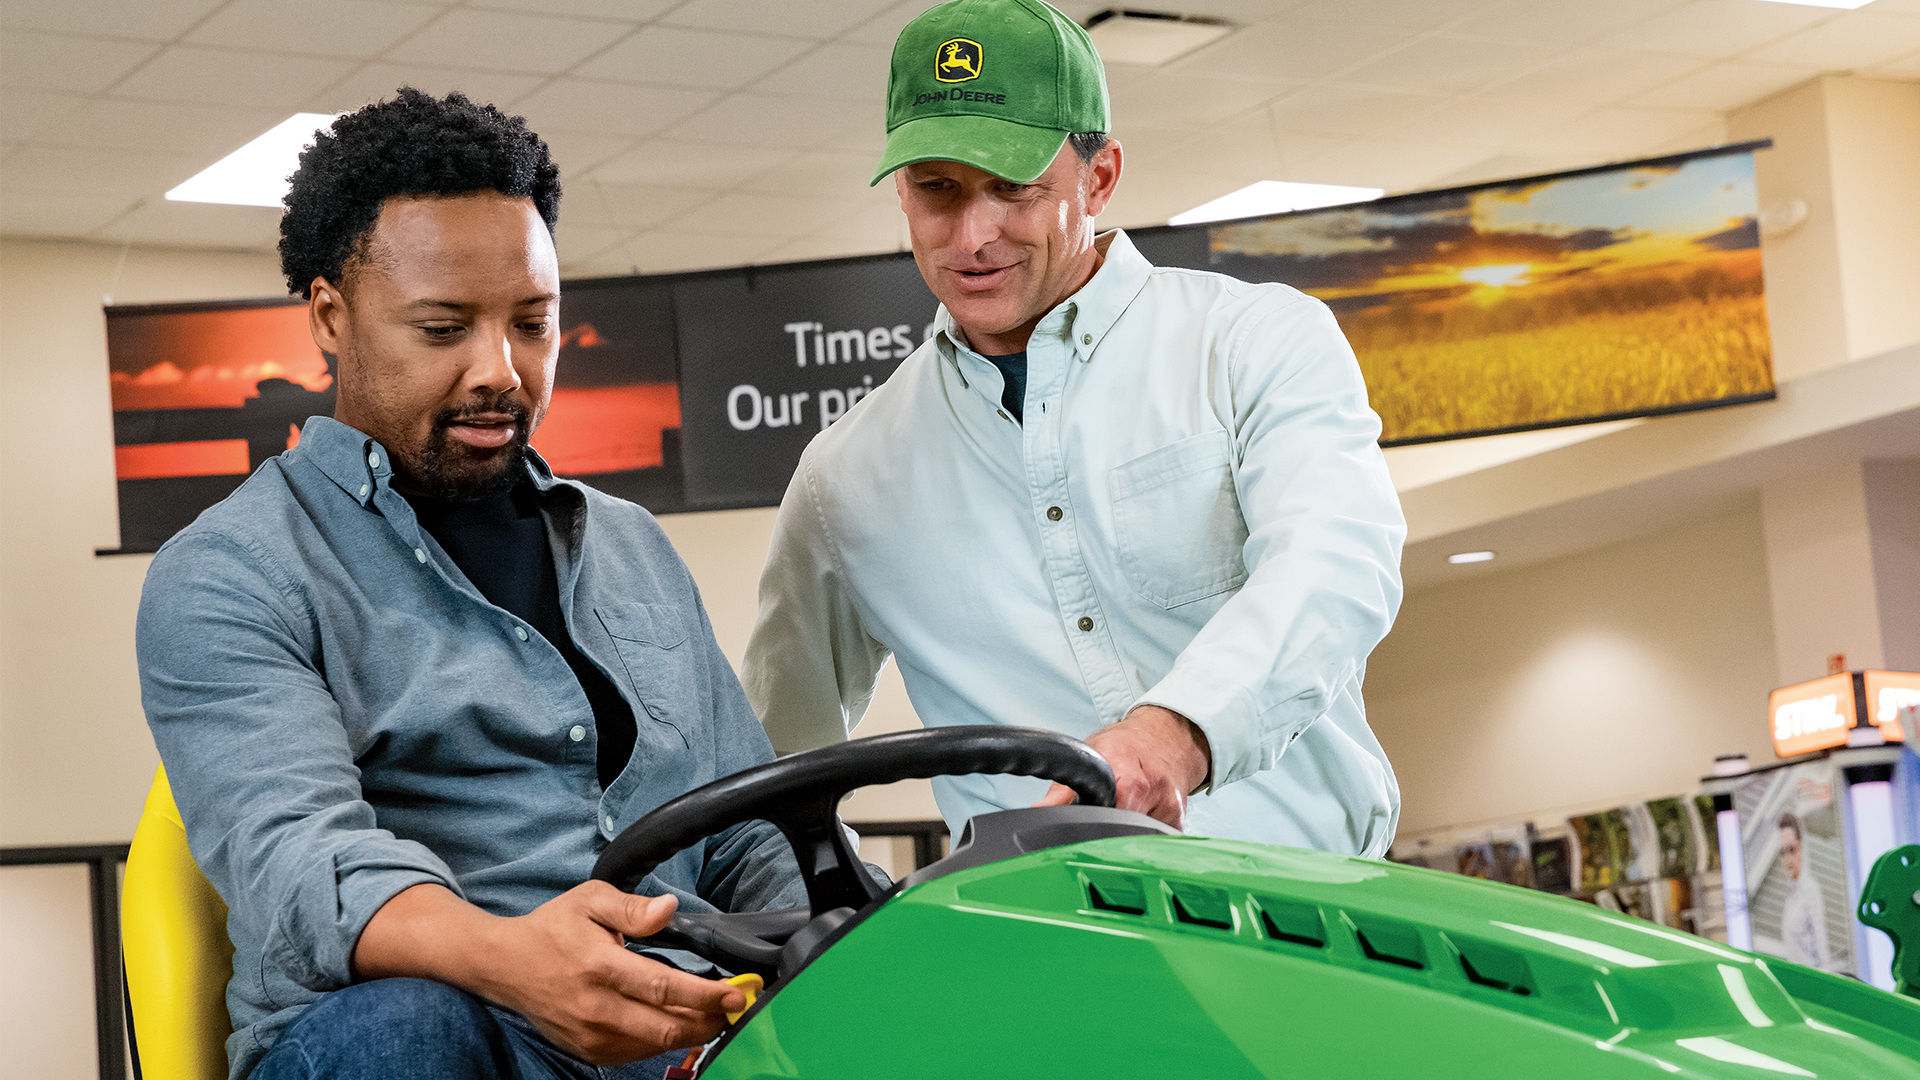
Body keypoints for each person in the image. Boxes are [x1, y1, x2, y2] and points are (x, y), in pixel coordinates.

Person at [138, 90, 805, 1080]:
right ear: (329, 315)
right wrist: (514, 963)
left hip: (676, 1042)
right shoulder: (230, 573)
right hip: (412, 1042)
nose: (501, 371)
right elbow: (305, 867)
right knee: (410, 1026)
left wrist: (842, 935)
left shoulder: (632, 548)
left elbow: (743, 831)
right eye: (444, 328)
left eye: (533, 325)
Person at [744, 0, 1406, 855]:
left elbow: (1335, 567)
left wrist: (1173, 735)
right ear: (901, 190)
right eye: (938, 191)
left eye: (1015, 189)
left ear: (1099, 177)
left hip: (1311, 918)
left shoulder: (1252, 341)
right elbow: (772, 754)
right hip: (1042, 954)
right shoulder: (844, 478)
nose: (973, 236)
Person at [1777, 812, 1830, 970]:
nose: (1788, 859)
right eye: (1783, 852)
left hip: (1812, 980)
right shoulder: (1790, 897)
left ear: (1801, 848)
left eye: (1792, 849)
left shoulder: (1810, 889)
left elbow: (1821, 940)